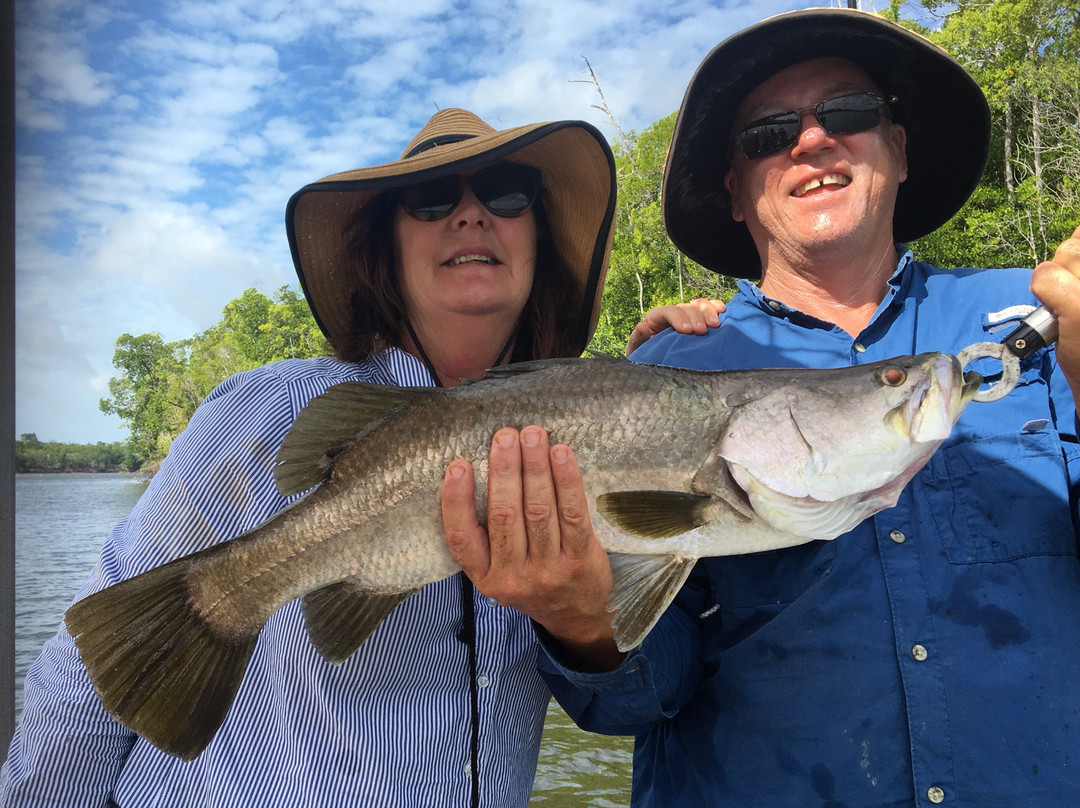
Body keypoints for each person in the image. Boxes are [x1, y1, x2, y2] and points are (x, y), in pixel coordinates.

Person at [441, 8, 1080, 807]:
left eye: (848, 112)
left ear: (899, 148)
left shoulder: (1050, 316)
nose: (812, 141)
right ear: (735, 193)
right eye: (768, 133)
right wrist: (580, 621)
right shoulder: (658, 372)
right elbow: (638, 701)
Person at [0, 107, 616, 807]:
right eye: (431, 198)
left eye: (507, 192)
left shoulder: (603, 436)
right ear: (387, 247)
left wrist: (584, 623)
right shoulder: (259, 412)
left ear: (539, 235)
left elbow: (634, 700)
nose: (471, 214)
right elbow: (88, 679)